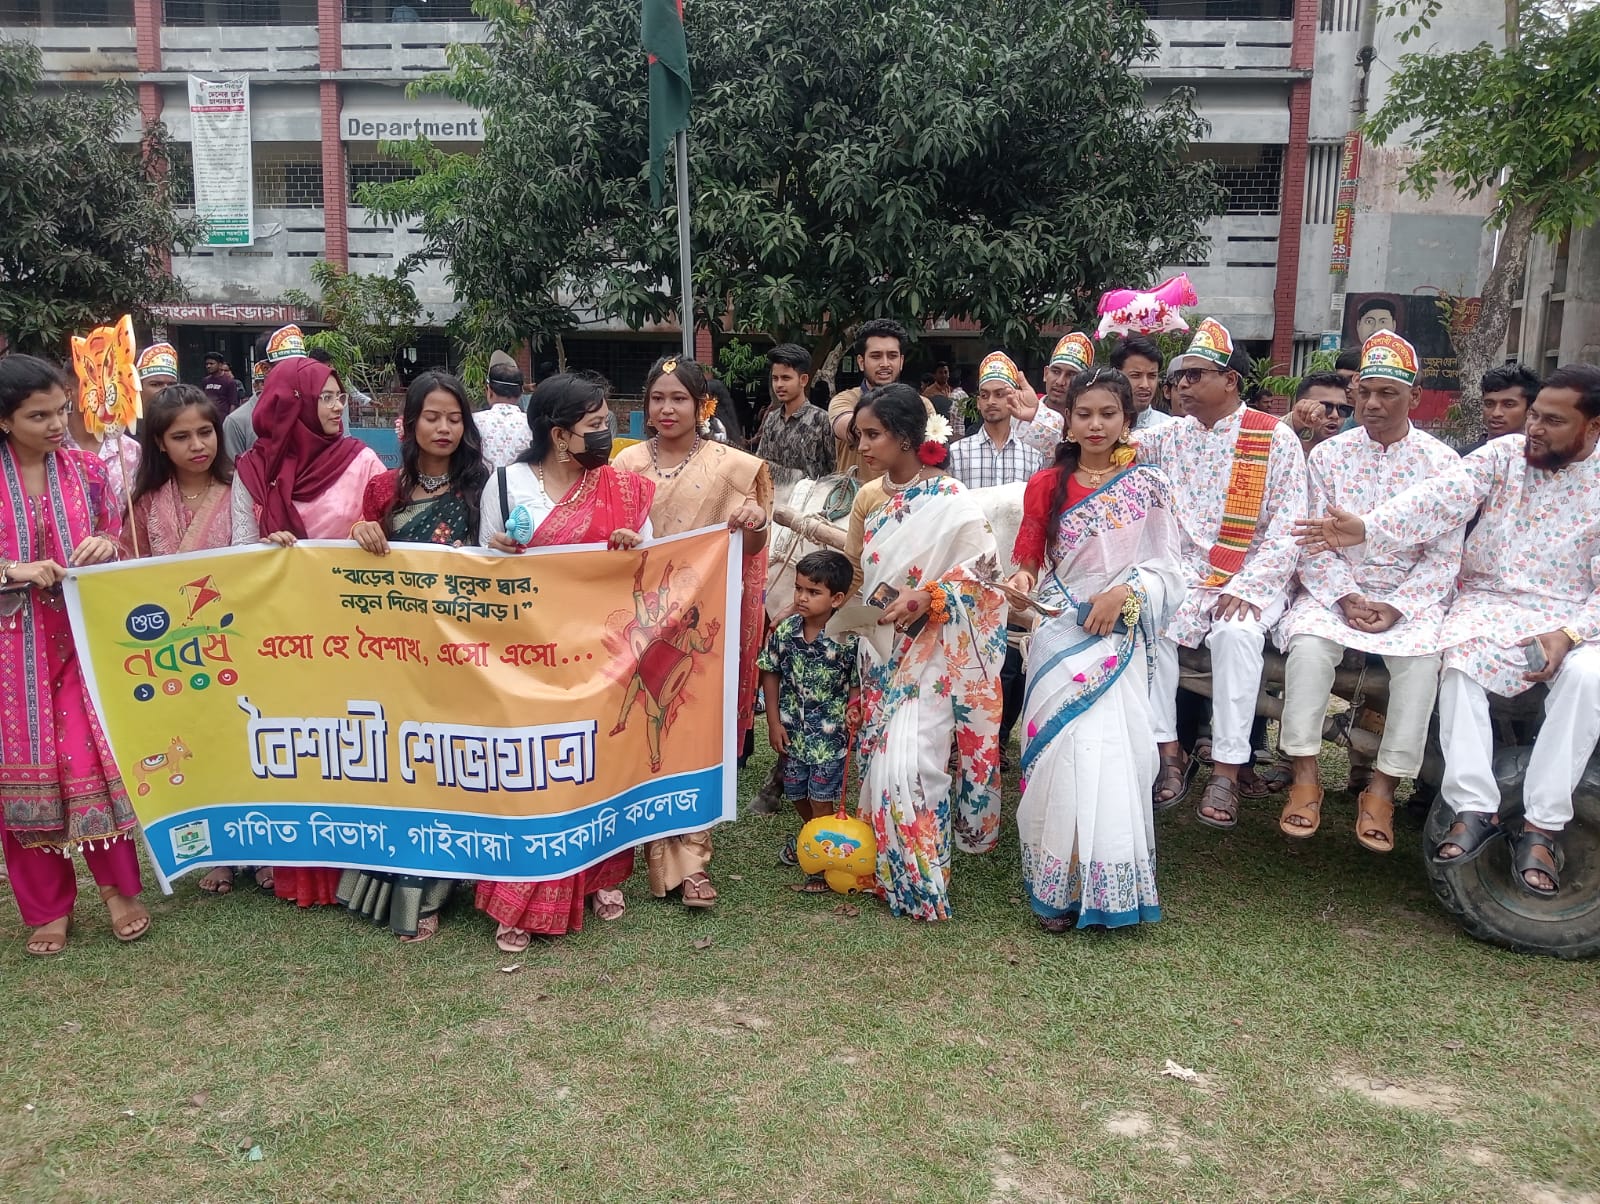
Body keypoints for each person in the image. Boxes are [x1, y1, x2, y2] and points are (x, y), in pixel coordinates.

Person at [1297, 363, 1600, 899]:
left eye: (1553, 421)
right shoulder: (1504, 455)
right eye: (1535, 416)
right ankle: (1473, 808)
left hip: (1573, 615)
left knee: (1587, 678)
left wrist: (1570, 635)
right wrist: (1369, 528)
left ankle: (1543, 825)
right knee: (1458, 661)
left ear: (1593, 426)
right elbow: (1439, 498)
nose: (1534, 429)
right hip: (1488, 604)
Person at [475, 371, 653, 950]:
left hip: (599, 656)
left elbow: (650, 564)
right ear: (559, 434)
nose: (606, 434)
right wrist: (498, 553)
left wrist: (631, 548)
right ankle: (520, 894)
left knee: (593, 767)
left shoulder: (623, 489)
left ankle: (600, 876)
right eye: (595, 424)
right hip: (525, 656)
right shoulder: (506, 484)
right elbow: (479, 574)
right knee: (532, 773)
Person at [1008, 367, 1184, 930]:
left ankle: (1106, 884)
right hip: (1059, 628)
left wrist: (1122, 594)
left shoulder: (1148, 484)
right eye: (1084, 414)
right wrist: (1020, 582)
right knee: (1064, 753)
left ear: (1127, 420)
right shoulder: (1046, 483)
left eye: (1108, 414)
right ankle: (1059, 883)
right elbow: (1029, 559)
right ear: (1067, 420)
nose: (1095, 424)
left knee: (1111, 752)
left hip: (1119, 634)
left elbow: (1169, 570)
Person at [1276, 333, 1463, 851]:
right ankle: (1305, 778)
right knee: (1309, 647)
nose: (1373, 404)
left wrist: (1396, 606)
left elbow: (1444, 557)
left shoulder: (1443, 464)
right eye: (1365, 393)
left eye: (1388, 393)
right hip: (1335, 593)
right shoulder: (1328, 457)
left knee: (1422, 662)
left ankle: (1382, 789)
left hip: (1408, 600)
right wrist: (1343, 596)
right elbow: (1310, 541)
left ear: (1415, 396)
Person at [0, 355, 148, 955]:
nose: (58, 424)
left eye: (62, 410)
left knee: (90, 761)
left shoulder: (88, 470)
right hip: (11, 654)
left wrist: (105, 544)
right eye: (39, 416)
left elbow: (116, 532)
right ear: (5, 421)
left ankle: (117, 890)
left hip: (81, 639)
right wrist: (12, 568)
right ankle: (47, 909)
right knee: (23, 775)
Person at [613, 357, 772, 909]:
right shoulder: (625, 463)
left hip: (702, 622)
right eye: (657, 398)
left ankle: (693, 861)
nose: (667, 409)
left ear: (702, 405)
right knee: (646, 728)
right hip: (640, 621)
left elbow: (752, 550)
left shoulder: (733, 468)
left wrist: (754, 524)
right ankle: (647, 845)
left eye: (679, 398)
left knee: (693, 730)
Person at [842, 383, 1006, 920]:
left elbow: (986, 578)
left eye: (874, 435)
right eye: (860, 435)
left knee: (915, 763)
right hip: (879, 649)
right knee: (881, 761)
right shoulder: (871, 500)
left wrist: (929, 595)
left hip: (934, 653)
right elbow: (861, 574)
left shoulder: (953, 501)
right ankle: (882, 868)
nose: (863, 446)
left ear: (908, 438)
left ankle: (924, 880)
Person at [1136, 319, 1309, 826]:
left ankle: (1228, 770)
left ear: (1230, 380)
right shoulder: (1168, 437)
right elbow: (1102, 443)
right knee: (1152, 622)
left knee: (1237, 634)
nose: (1181, 386)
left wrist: (1252, 587)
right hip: (1187, 575)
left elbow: (1290, 525)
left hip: (1252, 575)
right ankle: (1168, 753)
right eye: (1179, 378)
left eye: (1194, 376)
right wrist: (1041, 416)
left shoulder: (1273, 437)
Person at [231, 352, 386, 907]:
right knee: (299, 744)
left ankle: (361, 857)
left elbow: (390, 533)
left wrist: (371, 532)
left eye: (340, 396)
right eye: (327, 397)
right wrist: (263, 549)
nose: (339, 406)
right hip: (284, 634)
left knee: (352, 742)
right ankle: (297, 864)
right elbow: (237, 550)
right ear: (291, 403)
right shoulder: (252, 470)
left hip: (355, 635)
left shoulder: (362, 460)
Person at [341, 371, 490, 940]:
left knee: (450, 765)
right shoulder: (385, 489)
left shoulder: (484, 486)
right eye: (432, 417)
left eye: (454, 418)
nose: (444, 428)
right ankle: (402, 887)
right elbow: (358, 566)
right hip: (397, 651)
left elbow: (498, 564)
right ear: (410, 423)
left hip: (460, 652)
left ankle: (440, 889)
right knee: (407, 767)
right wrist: (360, 533)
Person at [948, 353, 1045, 764]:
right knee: (967, 652)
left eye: (1000, 394)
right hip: (974, 570)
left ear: (1013, 399)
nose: (992, 402)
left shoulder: (1033, 457)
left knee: (1011, 657)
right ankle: (961, 739)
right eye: (985, 395)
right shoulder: (958, 453)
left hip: (1017, 572)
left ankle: (1000, 738)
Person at [759, 549, 860, 889]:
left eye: (813, 592)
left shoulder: (848, 639)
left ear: (837, 599)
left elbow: (857, 681)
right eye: (799, 588)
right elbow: (770, 671)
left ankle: (820, 862)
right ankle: (811, 835)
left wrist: (854, 706)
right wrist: (774, 723)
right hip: (792, 732)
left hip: (830, 737)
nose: (802, 597)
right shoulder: (786, 631)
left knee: (821, 796)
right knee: (795, 791)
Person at [829, 319, 930, 480]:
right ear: (861, 362)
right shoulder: (844, 401)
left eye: (892, 356)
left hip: (908, 494)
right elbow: (850, 429)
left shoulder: (922, 404)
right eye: (876, 356)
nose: (885, 363)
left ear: (901, 361)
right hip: (855, 494)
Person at [755, 342, 834, 484]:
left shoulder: (822, 420)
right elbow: (761, 464)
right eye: (775, 378)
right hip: (774, 495)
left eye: (786, 378)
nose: (779, 385)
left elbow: (835, 470)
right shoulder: (772, 420)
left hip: (813, 496)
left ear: (803, 380)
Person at [225, 325, 305, 459]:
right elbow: (234, 469)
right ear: (266, 368)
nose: (300, 372)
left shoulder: (312, 411)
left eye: (302, 365)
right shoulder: (238, 422)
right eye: (289, 365)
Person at [475, 357, 532, 469]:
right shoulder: (532, 423)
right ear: (520, 393)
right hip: (522, 480)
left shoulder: (474, 421)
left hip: (482, 480)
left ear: (489, 390)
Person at [1111, 335, 1175, 431]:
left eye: (1152, 376)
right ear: (1116, 375)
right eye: (1135, 375)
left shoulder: (1170, 429)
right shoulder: (1098, 426)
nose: (1145, 385)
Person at [1290, 371, 1353, 450]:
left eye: (1342, 409)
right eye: (1326, 407)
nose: (1335, 415)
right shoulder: (1279, 442)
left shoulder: (1352, 451)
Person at [1041, 333, 1095, 422]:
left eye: (1071, 375)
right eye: (1056, 372)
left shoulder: (1089, 424)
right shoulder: (1021, 411)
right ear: (1046, 374)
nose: (1060, 382)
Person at [1479, 363, 1540, 442]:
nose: (1496, 413)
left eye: (1509, 405)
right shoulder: (1469, 450)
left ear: (1530, 410)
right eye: (1489, 404)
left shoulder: (1545, 449)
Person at [202, 351, 243, 419]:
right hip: (209, 418)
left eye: (211, 364)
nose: (208, 366)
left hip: (223, 419)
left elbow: (233, 403)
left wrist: (229, 419)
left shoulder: (229, 382)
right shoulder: (205, 381)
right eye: (207, 364)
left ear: (220, 365)